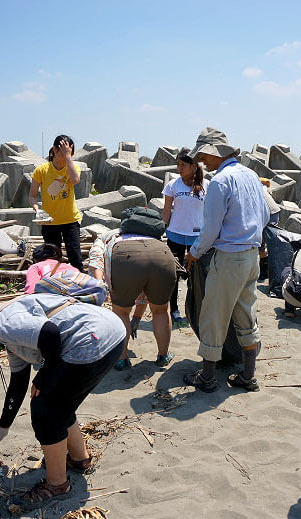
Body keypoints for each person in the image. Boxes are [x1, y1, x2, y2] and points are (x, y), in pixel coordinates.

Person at [0, 293, 126, 511]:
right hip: (110, 332)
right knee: (60, 402)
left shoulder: (0, 325)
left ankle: (57, 484)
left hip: (90, 340)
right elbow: (18, 383)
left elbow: (50, 334)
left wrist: (44, 374)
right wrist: (2, 427)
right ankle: (79, 459)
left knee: (44, 409)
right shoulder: (6, 336)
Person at [183, 127, 270, 393]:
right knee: (246, 312)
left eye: (204, 156)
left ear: (214, 152)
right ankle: (248, 375)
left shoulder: (221, 181)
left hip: (230, 257)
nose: (202, 161)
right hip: (251, 256)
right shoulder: (251, 175)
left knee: (213, 315)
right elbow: (265, 214)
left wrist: (194, 252)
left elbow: (211, 229)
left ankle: (207, 377)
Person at [88, 221, 176, 370]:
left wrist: (99, 285)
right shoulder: (150, 233)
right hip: (162, 254)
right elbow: (144, 288)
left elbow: (96, 262)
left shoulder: (104, 236)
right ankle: (163, 356)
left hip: (126, 257)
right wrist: (136, 319)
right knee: (161, 310)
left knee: (121, 312)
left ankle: (122, 359)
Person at [162, 148, 209, 323]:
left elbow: (211, 213)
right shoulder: (173, 185)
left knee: (196, 277)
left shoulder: (207, 185)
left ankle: (194, 310)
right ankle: (173, 309)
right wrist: (160, 230)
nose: (179, 168)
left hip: (197, 238)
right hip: (174, 236)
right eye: (177, 164)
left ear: (193, 166)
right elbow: (166, 211)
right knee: (173, 275)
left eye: (182, 165)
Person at [29, 135, 84, 271]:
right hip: (49, 222)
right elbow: (32, 196)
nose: (66, 156)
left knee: (75, 259)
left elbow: (75, 180)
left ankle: (80, 287)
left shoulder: (73, 167)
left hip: (70, 220)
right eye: (63, 152)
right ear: (54, 150)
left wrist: (68, 157)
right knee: (52, 260)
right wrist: (37, 210)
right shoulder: (41, 170)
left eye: (69, 152)